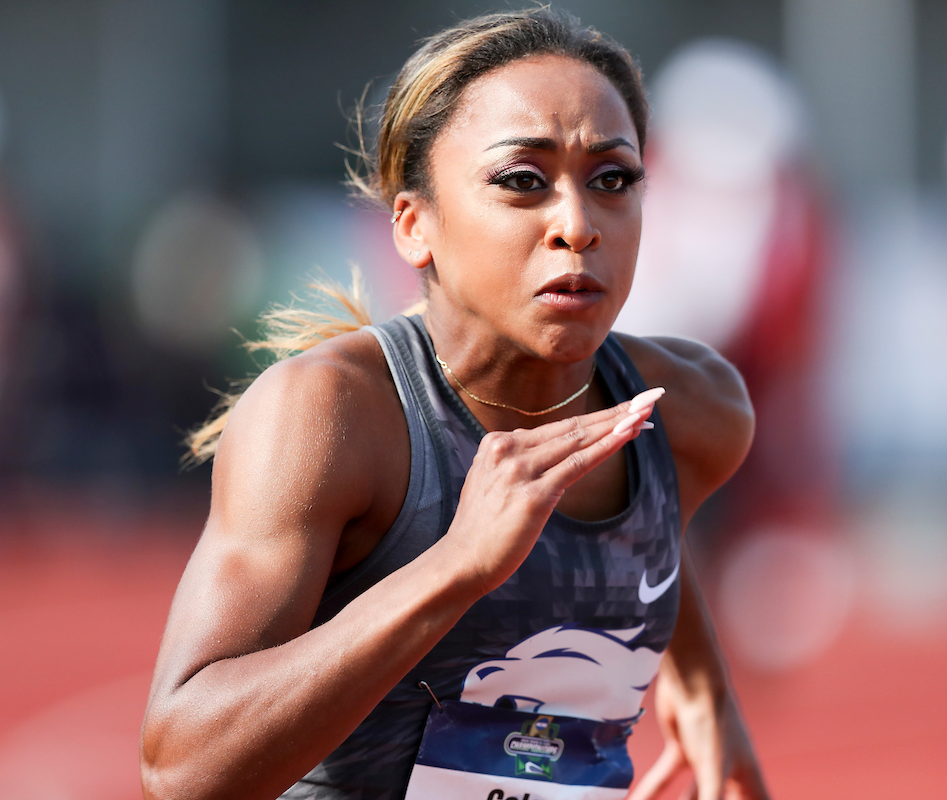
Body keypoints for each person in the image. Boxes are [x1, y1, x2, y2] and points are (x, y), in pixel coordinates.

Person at [141, 9, 769, 800]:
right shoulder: (331, 419)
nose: (577, 225)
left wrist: (703, 682)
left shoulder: (692, 415)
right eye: (521, 181)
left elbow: (653, 541)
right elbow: (180, 768)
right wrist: (456, 567)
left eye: (612, 179)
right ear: (414, 224)